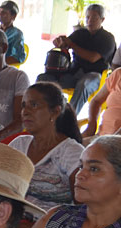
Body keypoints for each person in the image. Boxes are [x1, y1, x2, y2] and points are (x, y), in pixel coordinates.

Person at [8, 82, 84, 217]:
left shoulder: (70, 153)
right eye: (23, 106)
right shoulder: (19, 144)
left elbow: (82, 209)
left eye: (34, 105)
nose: (25, 112)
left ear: (55, 112)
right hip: (12, 221)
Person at [36, 4, 115, 115]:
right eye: (87, 17)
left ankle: (68, 117)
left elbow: (92, 58)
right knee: (43, 78)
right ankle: (43, 113)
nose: (89, 20)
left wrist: (71, 44)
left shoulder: (108, 38)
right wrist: (60, 42)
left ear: (102, 19)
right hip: (75, 72)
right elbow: (65, 44)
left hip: (96, 76)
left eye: (94, 18)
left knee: (84, 84)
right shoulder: (80, 33)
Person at [0, 1, 25, 66]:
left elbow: (18, 57)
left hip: (3, 68)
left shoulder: (17, 34)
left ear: (13, 16)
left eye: (4, 12)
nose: (0, 14)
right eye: (0, 12)